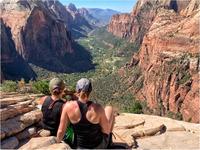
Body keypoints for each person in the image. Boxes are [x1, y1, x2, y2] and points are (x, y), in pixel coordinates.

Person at [56, 78, 115, 149]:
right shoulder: (98, 108)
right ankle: (109, 143)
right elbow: (106, 131)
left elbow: (61, 131)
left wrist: (57, 143)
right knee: (109, 108)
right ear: (90, 91)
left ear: (77, 90)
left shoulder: (68, 106)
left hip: (79, 147)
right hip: (98, 146)